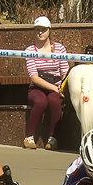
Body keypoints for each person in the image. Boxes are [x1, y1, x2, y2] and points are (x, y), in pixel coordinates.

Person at [23, 16, 69, 150]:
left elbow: (65, 71)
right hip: (37, 87)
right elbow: (34, 77)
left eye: (43, 29)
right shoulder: (30, 51)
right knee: (41, 102)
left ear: (49, 30)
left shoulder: (59, 48)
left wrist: (61, 86)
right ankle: (29, 137)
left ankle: (52, 138)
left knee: (54, 101)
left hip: (57, 84)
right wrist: (53, 88)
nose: (40, 32)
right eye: (37, 29)